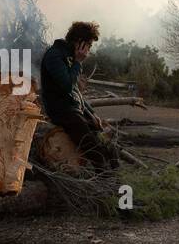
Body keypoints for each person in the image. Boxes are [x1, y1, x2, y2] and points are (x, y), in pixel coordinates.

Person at [39, 21, 119, 170]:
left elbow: (75, 91)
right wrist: (78, 62)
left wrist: (92, 113)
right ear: (79, 42)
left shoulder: (70, 55)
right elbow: (68, 86)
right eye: (88, 45)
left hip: (73, 108)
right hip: (61, 110)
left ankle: (115, 171)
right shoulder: (55, 56)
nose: (89, 49)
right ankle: (105, 177)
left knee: (103, 135)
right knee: (89, 142)